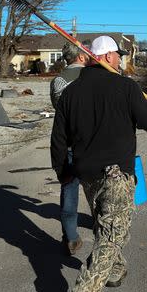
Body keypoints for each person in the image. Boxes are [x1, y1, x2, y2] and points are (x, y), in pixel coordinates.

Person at [51, 35, 147, 292]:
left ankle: (114, 270)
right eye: (119, 55)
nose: (121, 60)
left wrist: (64, 171)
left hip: (87, 175)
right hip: (117, 174)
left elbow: (59, 139)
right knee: (112, 233)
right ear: (109, 57)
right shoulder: (126, 87)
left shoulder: (71, 93)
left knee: (110, 228)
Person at [49, 41, 91, 255]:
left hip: (67, 142)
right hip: (92, 144)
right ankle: (105, 230)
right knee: (98, 188)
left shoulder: (58, 81)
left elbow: (59, 109)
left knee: (69, 188)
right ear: (82, 57)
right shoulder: (92, 78)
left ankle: (70, 237)